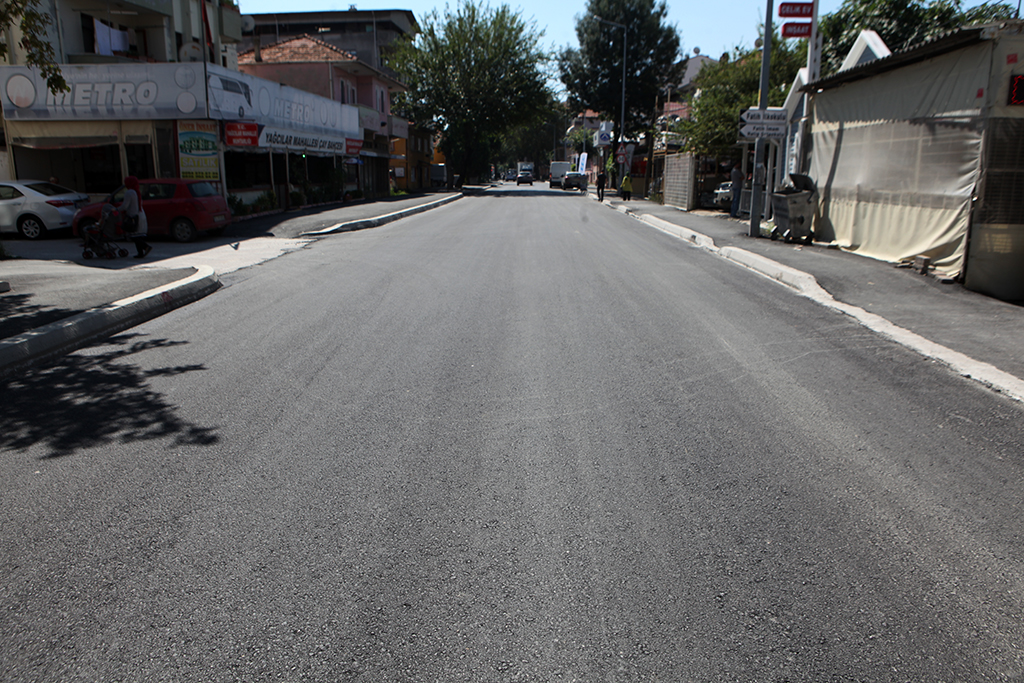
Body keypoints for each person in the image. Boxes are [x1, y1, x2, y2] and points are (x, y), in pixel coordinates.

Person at [119, 176, 151, 259]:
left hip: (133, 216)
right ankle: (140, 253)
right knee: (138, 236)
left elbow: (125, 206)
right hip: (140, 215)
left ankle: (145, 247)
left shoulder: (129, 193)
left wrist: (116, 209)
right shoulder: (137, 192)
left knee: (134, 236)